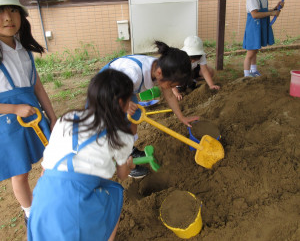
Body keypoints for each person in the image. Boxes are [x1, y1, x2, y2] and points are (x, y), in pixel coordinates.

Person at [28, 69, 137, 241]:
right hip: (76, 208)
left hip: (42, 199)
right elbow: (122, 176)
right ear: (121, 102)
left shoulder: (67, 119)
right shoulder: (121, 136)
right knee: (115, 194)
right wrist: (129, 164)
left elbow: (45, 168)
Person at [0, 0, 57, 224]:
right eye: (0, 11)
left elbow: (37, 86)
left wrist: (52, 116)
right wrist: (13, 108)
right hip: (8, 123)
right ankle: (30, 212)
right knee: (20, 173)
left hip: (32, 114)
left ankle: (47, 198)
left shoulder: (23, 49)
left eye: (13, 9)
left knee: (52, 158)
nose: (7, 17)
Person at [100, 41, 199, 178]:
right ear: (159, 73)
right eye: (171, 84)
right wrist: (124, 104)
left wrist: (181, 117)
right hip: (107, 90)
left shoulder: (161, 68)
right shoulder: (132, 73)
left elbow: (169, 95)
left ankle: (130, 150)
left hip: (125, 90)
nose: (171, 87)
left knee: (133, 122)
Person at [243, 0, 283, 77]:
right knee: (250, 52)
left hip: (260, 27)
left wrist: (276, 8)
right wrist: (272, 14)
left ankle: (253, 70)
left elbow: (264, 11)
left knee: (255, 50)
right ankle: (246, 75)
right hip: (253, 28)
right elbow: (255, 14)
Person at [172, 36, 220, 101]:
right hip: (180, 73)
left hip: (192, 70)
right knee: (181, 87)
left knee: (210, 72)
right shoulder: (179, 58)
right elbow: (171, 77)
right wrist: (176, 93)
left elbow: (204, 71)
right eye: (192, 59)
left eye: (196, 59)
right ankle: (184, 83)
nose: (194, 61)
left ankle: (192, 80)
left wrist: (211, 85)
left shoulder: (201, 55)